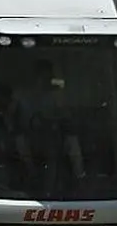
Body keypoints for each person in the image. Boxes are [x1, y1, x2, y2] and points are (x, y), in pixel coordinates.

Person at [8, 58, 87, 188]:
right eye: (43, 76)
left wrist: (54, 120)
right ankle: (32, 174)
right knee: (20, 141)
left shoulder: (55, 96)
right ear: (36, 76)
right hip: (27, 134)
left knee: (71, 141)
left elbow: (65, 116)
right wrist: (14, 128)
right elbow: (9, 115)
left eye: (48, 76)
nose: (45, 79)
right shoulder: (20, 94)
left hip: (51, 134)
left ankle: (80, 177)